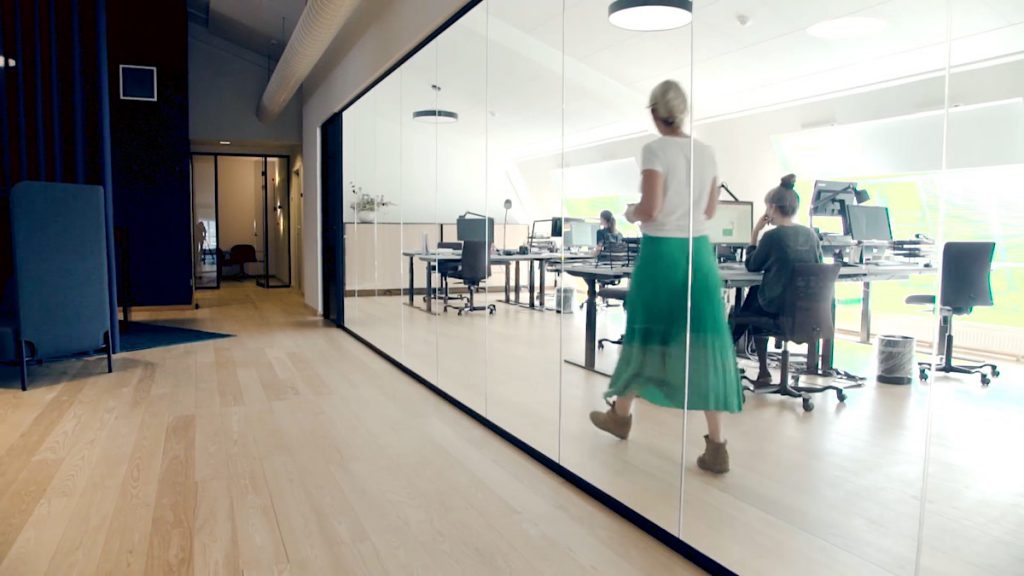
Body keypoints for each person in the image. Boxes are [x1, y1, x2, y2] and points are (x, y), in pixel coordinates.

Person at [589, 80, 743, 474]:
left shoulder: (654, 149)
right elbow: (709, 209)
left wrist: (630, 212)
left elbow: (652, 209)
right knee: (705, 344)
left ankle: (621, 417)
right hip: (700, 255)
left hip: (663, 256)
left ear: (656, 114)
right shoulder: (706, 152)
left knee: (647, 336)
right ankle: (717, 447)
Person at [732, 174, 823, 385]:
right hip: (806, 312)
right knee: (756, 294)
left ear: (771, 207)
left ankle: (746, 361)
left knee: (751, 302)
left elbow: (752, 265)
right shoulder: (811, 235)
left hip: (778, 310)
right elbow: (818, 268)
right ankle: (749, 363)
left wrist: (755, 233)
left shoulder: (772, 236)